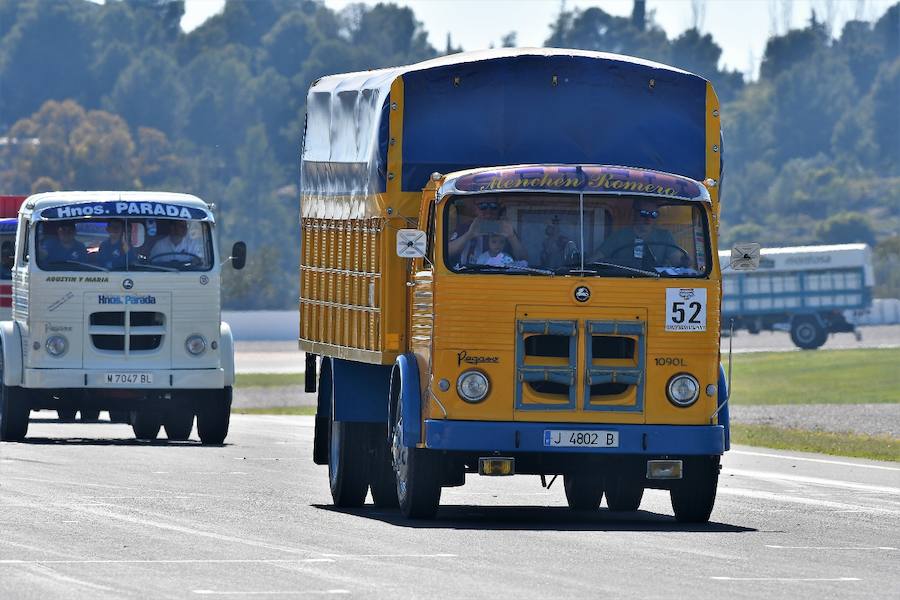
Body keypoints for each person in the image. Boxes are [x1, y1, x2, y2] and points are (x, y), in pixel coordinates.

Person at [593, 200, 685, 268]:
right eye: (644, 213)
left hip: (657, 281)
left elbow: (677, 261)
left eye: (653, 214)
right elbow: (595, 259)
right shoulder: (619, 236)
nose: (648, 219)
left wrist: (685, 261)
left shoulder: (664, 236)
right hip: (623, 280)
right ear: (635, 214)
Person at [448, 198, 526, 265]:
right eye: (483, 206)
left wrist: (512, 237)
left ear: (499, 209)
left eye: (493, 206)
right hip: (467, 275)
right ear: (475, 209)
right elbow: (446, 253)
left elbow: (523, 259)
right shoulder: (466, 227)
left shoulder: (505, 228)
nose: (488, 211)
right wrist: (468, 235)